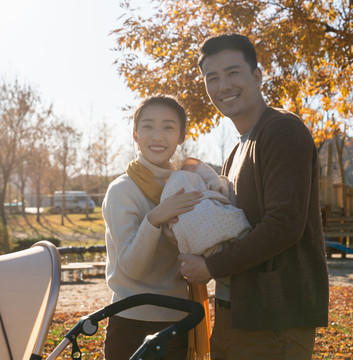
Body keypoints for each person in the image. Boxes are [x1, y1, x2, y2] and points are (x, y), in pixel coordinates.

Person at [177, 34, 329, 360]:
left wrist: (211, 266)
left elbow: (284, 224)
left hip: (275, 317)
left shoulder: (282, 131)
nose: (223, 86)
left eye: (233, 73)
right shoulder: (235, 152)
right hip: (236, 311)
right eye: (212, 78)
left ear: (257, 76)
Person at [102, 94, 203, 359]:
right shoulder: (122, 191)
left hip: (180, 319)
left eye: (168, 127)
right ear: (135, 135)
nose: (157, 135)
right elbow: (131, 268)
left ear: (181, 136)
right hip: (131, 320)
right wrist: (155, 218)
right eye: (148, 126)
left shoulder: (188, 186)